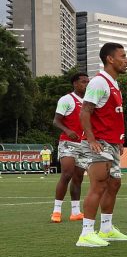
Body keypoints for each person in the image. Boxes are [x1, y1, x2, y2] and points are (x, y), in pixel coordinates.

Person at [76, 42, 127, 247]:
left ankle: (106, 229)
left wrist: (119, 141)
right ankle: (86, 234)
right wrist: (91, 140)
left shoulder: (114, 84)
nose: (126, 61)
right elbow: (85, 111)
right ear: (110, 59)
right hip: (99, 142)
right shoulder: (99, 83)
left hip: (112, 143)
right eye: (123, 56)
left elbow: (112, 117)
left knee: (114, 184)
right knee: (98, 184)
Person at [50, 72, 90, 223]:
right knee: (66, 174)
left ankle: (75, 212)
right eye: (83, 82)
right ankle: (56, 211)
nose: (86, 84)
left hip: (84, 144)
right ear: (75, 83)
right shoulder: (66, 99)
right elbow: (56, 121)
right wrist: (67, 130)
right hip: (68, 142)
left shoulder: (89, 102)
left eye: (87, 82)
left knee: (78, 178)